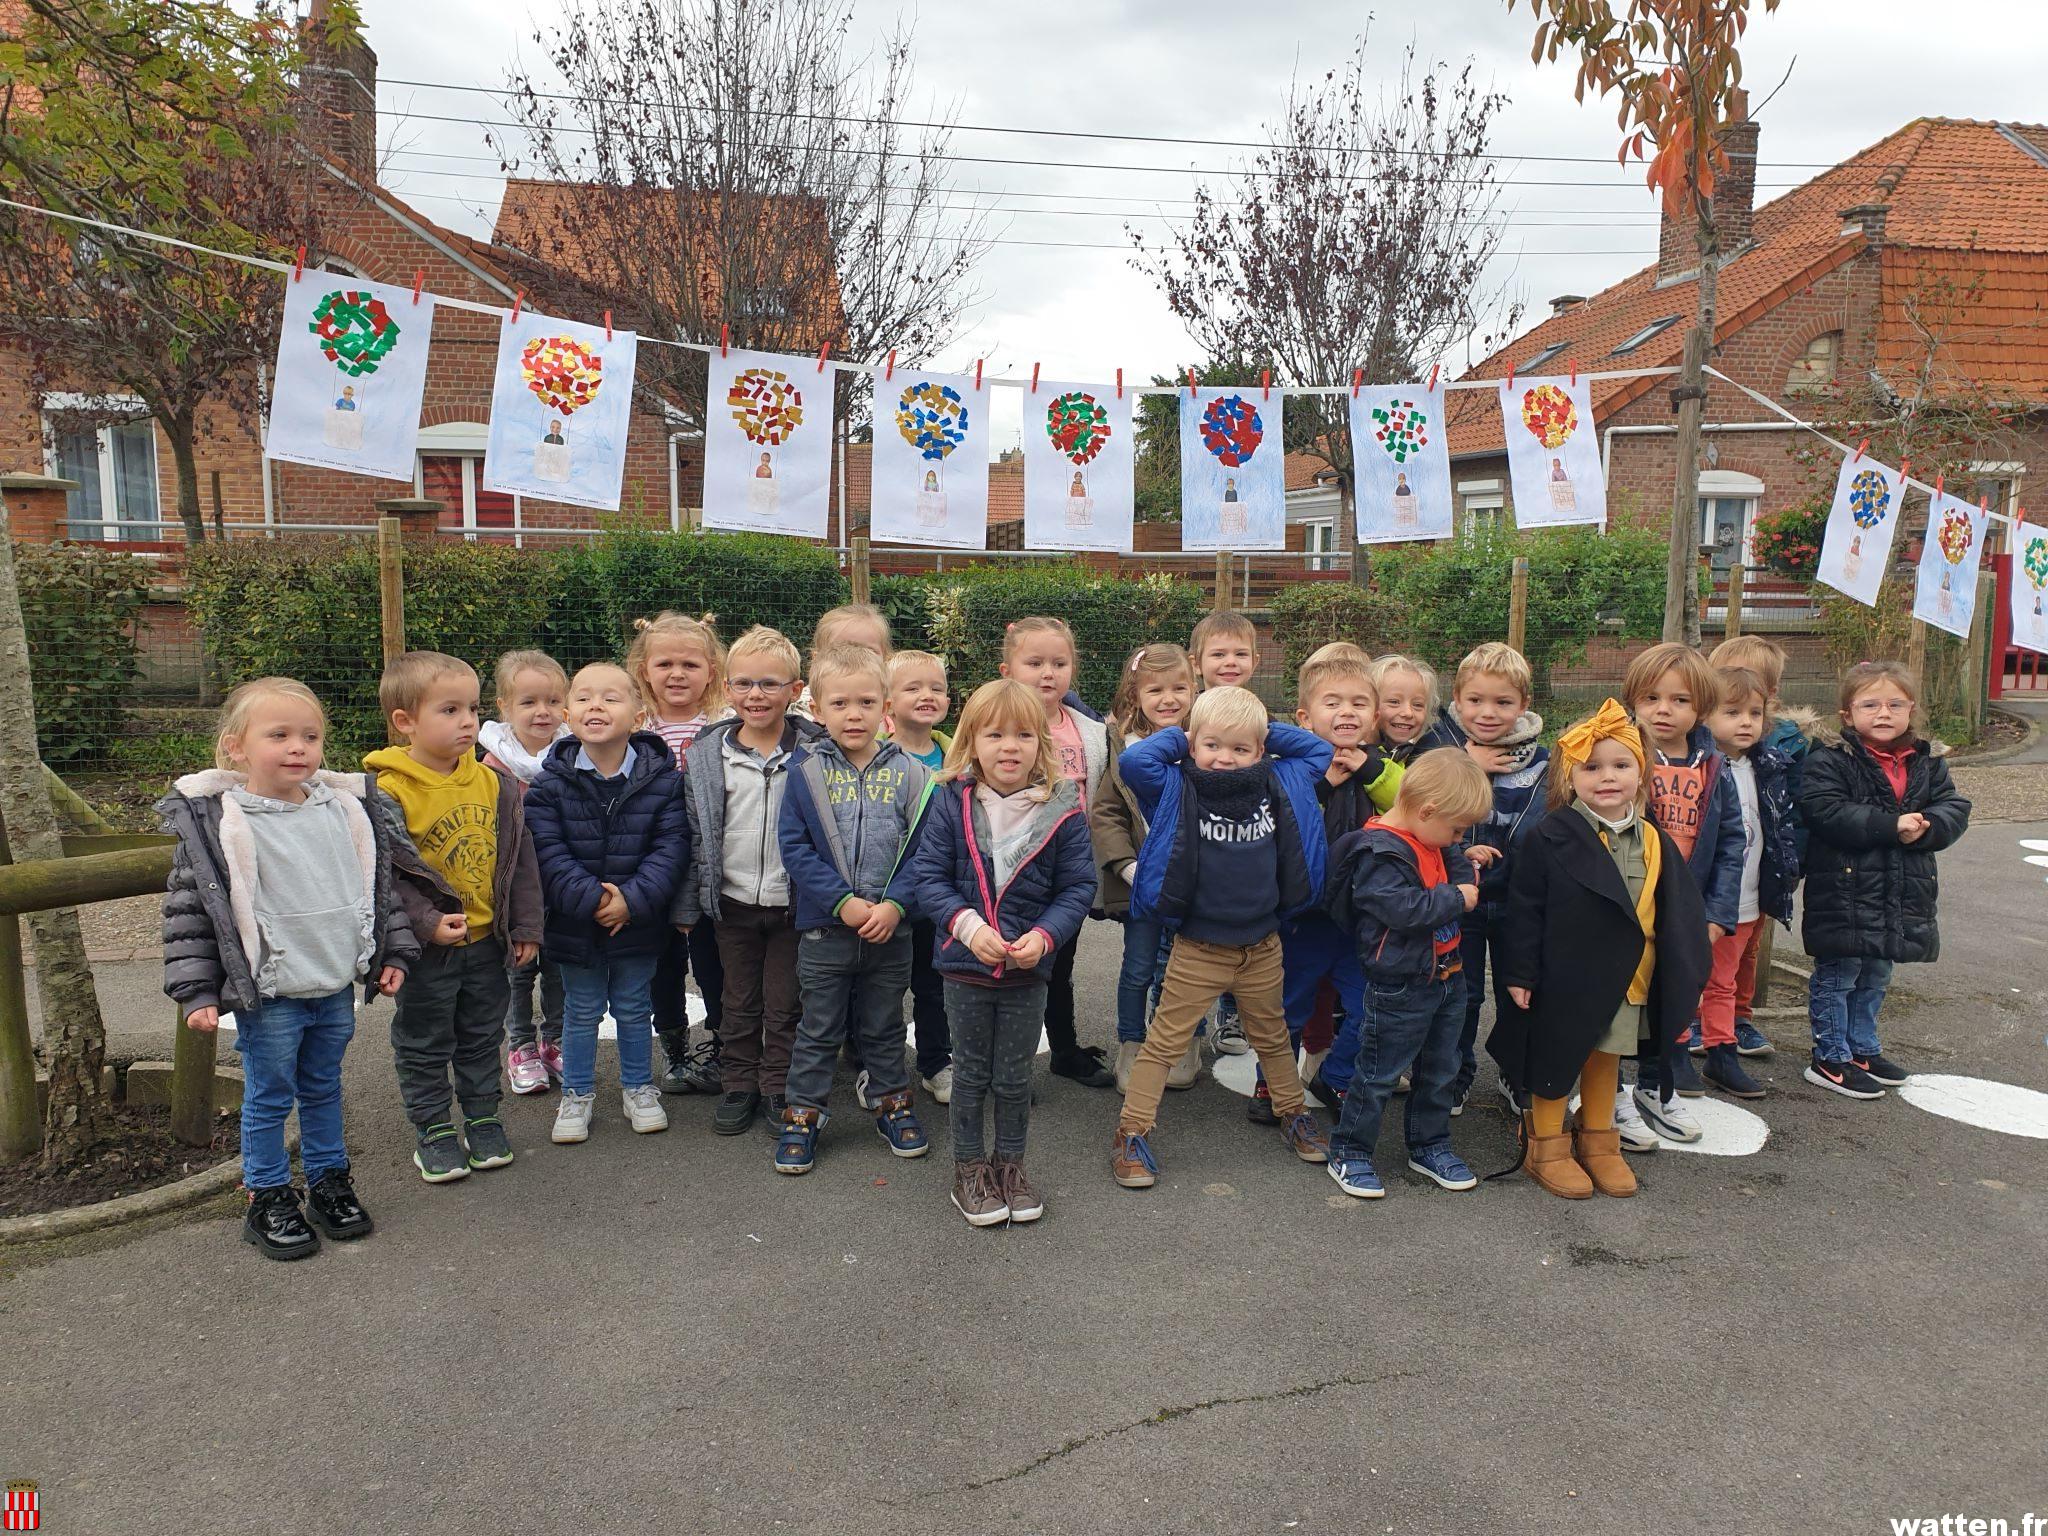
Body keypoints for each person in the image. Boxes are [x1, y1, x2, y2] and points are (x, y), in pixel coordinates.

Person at [161, 678, 421, 1260]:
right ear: (236, 747)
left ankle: (329, 1182)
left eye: (309, 735)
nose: (297, 747)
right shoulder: (219, 823)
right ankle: (268, 1195)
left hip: (333, 985)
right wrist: (197, 991)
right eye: (278, 735)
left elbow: (379, 889)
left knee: (324, 1087)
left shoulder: (347, 809)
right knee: (270, 1096)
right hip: (273, 991)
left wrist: (392, 953)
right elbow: (191, 915)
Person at [1109, 686, 1335, 1188]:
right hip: (1199, 948)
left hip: (1262, 945)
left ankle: (1292, 1112)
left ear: (1260, 750)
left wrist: (1253, 729)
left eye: (1240, 749)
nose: (1225, 759)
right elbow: (1135, 761)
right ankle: (1131, 1131)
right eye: (1213, 746)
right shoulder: (1174, 784)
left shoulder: (1280, 776)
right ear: (1192, 745)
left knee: (1273, 1039)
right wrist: (1192, 733)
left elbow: (1319, 750)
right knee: (1164, 1043)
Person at [1490, 700, 1711, 1199]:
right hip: (1565, 977)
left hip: (1628, 978)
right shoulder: (1549, 836)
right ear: (1571, 776)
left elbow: (1678, 912)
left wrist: (1685, 973)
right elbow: (1523, 911)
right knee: (1554, 1063)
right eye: (1591, 768)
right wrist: (1520, 974)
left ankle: (1600, 1144)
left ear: (1642, 772)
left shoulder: (1654, 839)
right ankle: (1545, 1145)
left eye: (1620, 765)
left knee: (1606, 1060)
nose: (1606, 777)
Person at [908, 679, 1097, 1225]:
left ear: (1042, 743)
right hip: (965, 967)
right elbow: (930, 877)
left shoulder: (1064, 807)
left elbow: (1077, 887)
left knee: (1014, 1077)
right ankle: (969, 1170)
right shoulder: (949, 799)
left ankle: (1009, 1166)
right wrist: (967, 928)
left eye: (1022, 735)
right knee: (969, 1073)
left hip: (1028, 969)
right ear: (971, 741)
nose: (1009, 746)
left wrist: (1044, 936)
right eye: (994, 734)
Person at [365, 652, 541, 1183]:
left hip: (489, 943)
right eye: (450, 710)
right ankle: (434, 1128)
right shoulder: (385, 790)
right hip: (427, 950)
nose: (469, 720)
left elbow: (520, 858)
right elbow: (383, 875)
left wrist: (527, 926)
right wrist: (423, 923)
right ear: (405, 722)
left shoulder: (494, 783)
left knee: (483, 1035)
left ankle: (483, 1118)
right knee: (423, 1039)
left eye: (472, 707)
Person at [773, 645, 935, 1174]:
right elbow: (795, 849)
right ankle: (803, 1115)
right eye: (839, 703)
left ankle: (893, 1102)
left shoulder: (913, 775)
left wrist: (894, 905)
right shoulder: (804, 773)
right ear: (816, 709)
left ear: (885, 706)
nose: (853, 713)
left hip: (893, 931)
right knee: (818, 1027)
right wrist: (842, 902)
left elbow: (925, 851)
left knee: (886, 1024)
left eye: (866, 701)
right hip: (826, 930)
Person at [524, 663, 690, 1144]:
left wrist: (631, 901)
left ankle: (639, 1087)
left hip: (637, 924)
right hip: (575, 924)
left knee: (635, 1008)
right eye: (584, 697)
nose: (596, 706)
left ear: (639, 717)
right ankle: (576, 1095)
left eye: (611, 698)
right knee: (580, 1010)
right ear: (567, 713)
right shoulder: (548, 784)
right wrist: (595, 899)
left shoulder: (663, 781)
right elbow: (547, 853)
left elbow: (671, 847)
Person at [1320, 748, 1490, 1198]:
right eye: (1455, 828)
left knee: (1440, 1069)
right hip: (1400, 983)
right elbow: (1402, 909)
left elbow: (1453, 860)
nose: (1457, 838)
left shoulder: (1432, 837)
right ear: (1428, 810)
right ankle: (1350, 1151)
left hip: (1447, 975)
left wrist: (1459, 877)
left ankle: (1429, 1145)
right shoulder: (1380, 850)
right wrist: (1459, 898)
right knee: (1377, 1074)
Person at [670, 625, 819, 1136]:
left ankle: (778, 1085)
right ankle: (739, 1083)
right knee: (737, 1000)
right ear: (727, 688)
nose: (756, 695)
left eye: (771, 684)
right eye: (744, 684)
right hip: (730, 904)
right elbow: (695, 835)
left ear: (795, 691)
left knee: (784, 1002)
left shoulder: (817, 752)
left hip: (793, 905)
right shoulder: (707, 754)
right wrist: (688, 907)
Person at [1798, 661, 1971, 1098]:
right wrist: (1889, 825)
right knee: (1840, 972)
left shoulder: (1926, 762)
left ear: (1911, 709)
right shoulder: (1831, 759)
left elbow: (1954, 805)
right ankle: (1829, 1055)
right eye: (1870, 704)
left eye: (1895, 704)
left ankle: (1862, 1046)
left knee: (1877, 971)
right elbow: (1825, 810)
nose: (1883, 713)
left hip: (1899, 889)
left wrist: (1929, 824)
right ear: (1847, 714)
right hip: (1844, 889)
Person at [1416, 642, 1546, 1118]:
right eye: (1476, 700)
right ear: (1456, 697)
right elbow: (1419, 804)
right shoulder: (1435, 748)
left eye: (1503, 702)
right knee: (1460, 994)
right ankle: (1455, 1075)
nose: (1488, 713)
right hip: (1457, 897)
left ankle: (1515, 1072)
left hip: (1518, 902)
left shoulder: (1544, 763)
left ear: (1524, 705)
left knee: (1521, 991)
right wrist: (1468, 765)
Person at [1621, 642, 1744, 1133]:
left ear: (1702, 709)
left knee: (1672, 1000)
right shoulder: (1618, 756)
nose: (1663, 710)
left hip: (1685, 908)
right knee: (1617, 1001)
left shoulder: (1714, 767)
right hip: (1629, 905)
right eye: (1651, 698)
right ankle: (1610, 1095)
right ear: (1632, 700)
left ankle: (1657, 1088)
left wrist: (1717, 913)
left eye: (1680, 700)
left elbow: (1733, 841)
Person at [1280, 645, 1404, 1116]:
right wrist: (1324, 783)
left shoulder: (1384, 765)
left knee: (1368, 1006)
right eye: (1332, 703)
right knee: (1290, 1005)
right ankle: (1271, 1084)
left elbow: (1408, 801)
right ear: (1305, 716)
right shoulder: (1296, 766)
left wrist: (1369, 768)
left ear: (1374, 716)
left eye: (1357, 703)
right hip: (1307, 915)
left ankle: (1334, 1077)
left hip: (1365, 916)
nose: (1345, 712)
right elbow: (1283, 816)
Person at [1000, 615, 1113, 1088]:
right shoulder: (997, 725)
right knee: (1009, 971)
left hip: (1067, 875)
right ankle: (1005, 1068)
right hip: (1010, 875)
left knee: (1059, 966)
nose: (1048, 673)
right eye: (1035, 662)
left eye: (1059, 663)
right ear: (1007, 670)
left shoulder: (1091, 732)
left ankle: (1064, 1050)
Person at [627, 613, 728, 1098]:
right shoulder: (633, 726)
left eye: (690, 663)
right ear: (644, 669)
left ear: (711, 670)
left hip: (711, 865)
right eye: (664, 662)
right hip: (651, 866)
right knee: (661, 963)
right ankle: (672, 1049)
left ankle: (725, 1045)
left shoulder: (726, 726)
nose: (677, 673)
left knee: (713, 960)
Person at [1091, 642, 1196, 1092]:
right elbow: (1107, 813)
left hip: (1197, 884)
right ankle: (1131, 1043)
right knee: (1138, 968)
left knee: (1186, 970)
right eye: (1156, 689)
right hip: (1143, 884)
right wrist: (1126, 867)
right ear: (1135, 694)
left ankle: (1182, 1041)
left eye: (1180, 687)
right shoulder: (1123, 746)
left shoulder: (1205, 740)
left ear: (1196, 688)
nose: (1169, 698)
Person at [1697, 666, 1801, 1099]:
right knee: (1717, 979)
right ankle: (1720, 1054)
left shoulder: (1768, 766)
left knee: (1737, 973)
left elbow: (1781, 829)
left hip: (1756, 894)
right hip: (1718, 898)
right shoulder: (1702, 767)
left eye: (1755, 713)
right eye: (1732, 711)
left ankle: (1726, 1035)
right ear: (1705, 715)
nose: (1746, 722)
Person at [480, 649, 570, 1096]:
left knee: (558, 967)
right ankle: (520, 1046)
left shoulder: (576, 755)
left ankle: (555, 1040)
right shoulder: (492, 766)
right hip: (515, 887)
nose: (543, 711)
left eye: (553, 701)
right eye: (529, 702)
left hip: (561, 882)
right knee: (519, 968)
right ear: (504, 707)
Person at [1185, 609, 1263, 1055]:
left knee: (1241, 937)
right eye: (1218, 654)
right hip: (1196, 842)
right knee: (1189, 949)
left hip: (1244, 842)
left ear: (1254, 660)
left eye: (1239, 653)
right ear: (1198, 662)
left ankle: (1232, 1017)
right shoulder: (1187, 712)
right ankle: (1188, 1029)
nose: (1229, 662)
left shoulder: (1257, 715)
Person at [883, 649, 955, 1102]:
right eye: (912, 687)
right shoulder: (874, 755)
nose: (927, 695)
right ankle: (879, 1066)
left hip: (941, 897)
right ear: (886, 701)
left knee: (936, 985)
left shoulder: (957, 755)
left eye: (937, 688)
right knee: (883, 989)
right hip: (888, 895)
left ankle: (935, 1062)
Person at [1368, 654, 1438, 767]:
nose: (1408, 713)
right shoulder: (1355, 758)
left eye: (1418, 705)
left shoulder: (1426, 758)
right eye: (1394, 702)